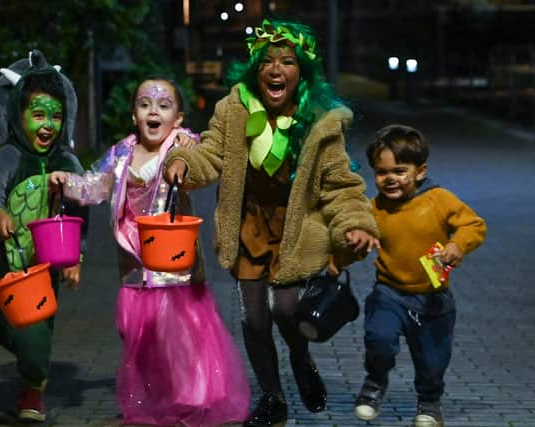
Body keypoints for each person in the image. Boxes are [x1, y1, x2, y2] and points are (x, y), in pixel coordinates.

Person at [165, 18, 380, 426]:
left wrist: (357, 223)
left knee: (286, 310)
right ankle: (272, 398)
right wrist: (182, 161)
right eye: (267, 62)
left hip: (297, 227)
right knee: (254, 317)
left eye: (287, 62)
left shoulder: (319, 120)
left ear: (303, 71)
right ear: (255, 68)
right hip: (250, 224)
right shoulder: (234, 109)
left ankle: (301, 360)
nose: (276, 70)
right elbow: (210, 153)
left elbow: (340, 183)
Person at [50, 76, 250, 427]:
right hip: (135, 263)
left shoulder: (181, 146)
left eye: (163, 105)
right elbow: (95, 186)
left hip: (174, 265)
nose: (153, 111)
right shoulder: (122, 153)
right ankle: (155, 396)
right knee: (138, 335)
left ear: (178, 117)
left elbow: (202, 164)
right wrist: (66, 182)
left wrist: (189, 151)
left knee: (183, 335)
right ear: (134, 116)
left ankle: (191, 397)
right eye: (145, 104)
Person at [0, 50, 88, 422]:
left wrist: (74, 257)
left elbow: (80, 211)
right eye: (38, 115)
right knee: (9, 331)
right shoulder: (8, 156)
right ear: (17, 115)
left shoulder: (66, 161)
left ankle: (32, 391)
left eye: (55, 116)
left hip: (44, 268)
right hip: (5, 264)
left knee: (36, 333)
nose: (48, 125)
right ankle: (29, 363)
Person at [354, 124, 486, 427]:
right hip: (389, 292)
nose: (390, 179)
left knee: (432, 359)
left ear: (420, 170)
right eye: (381, 172)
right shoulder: (372, 209)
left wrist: (457, 244)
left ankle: (429, 403)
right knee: (379, 337)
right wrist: (345, 251)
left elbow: (474, 225)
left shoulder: (439, 200)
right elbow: (356, 246)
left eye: (400, 170)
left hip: (433, 299)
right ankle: (375, 383)